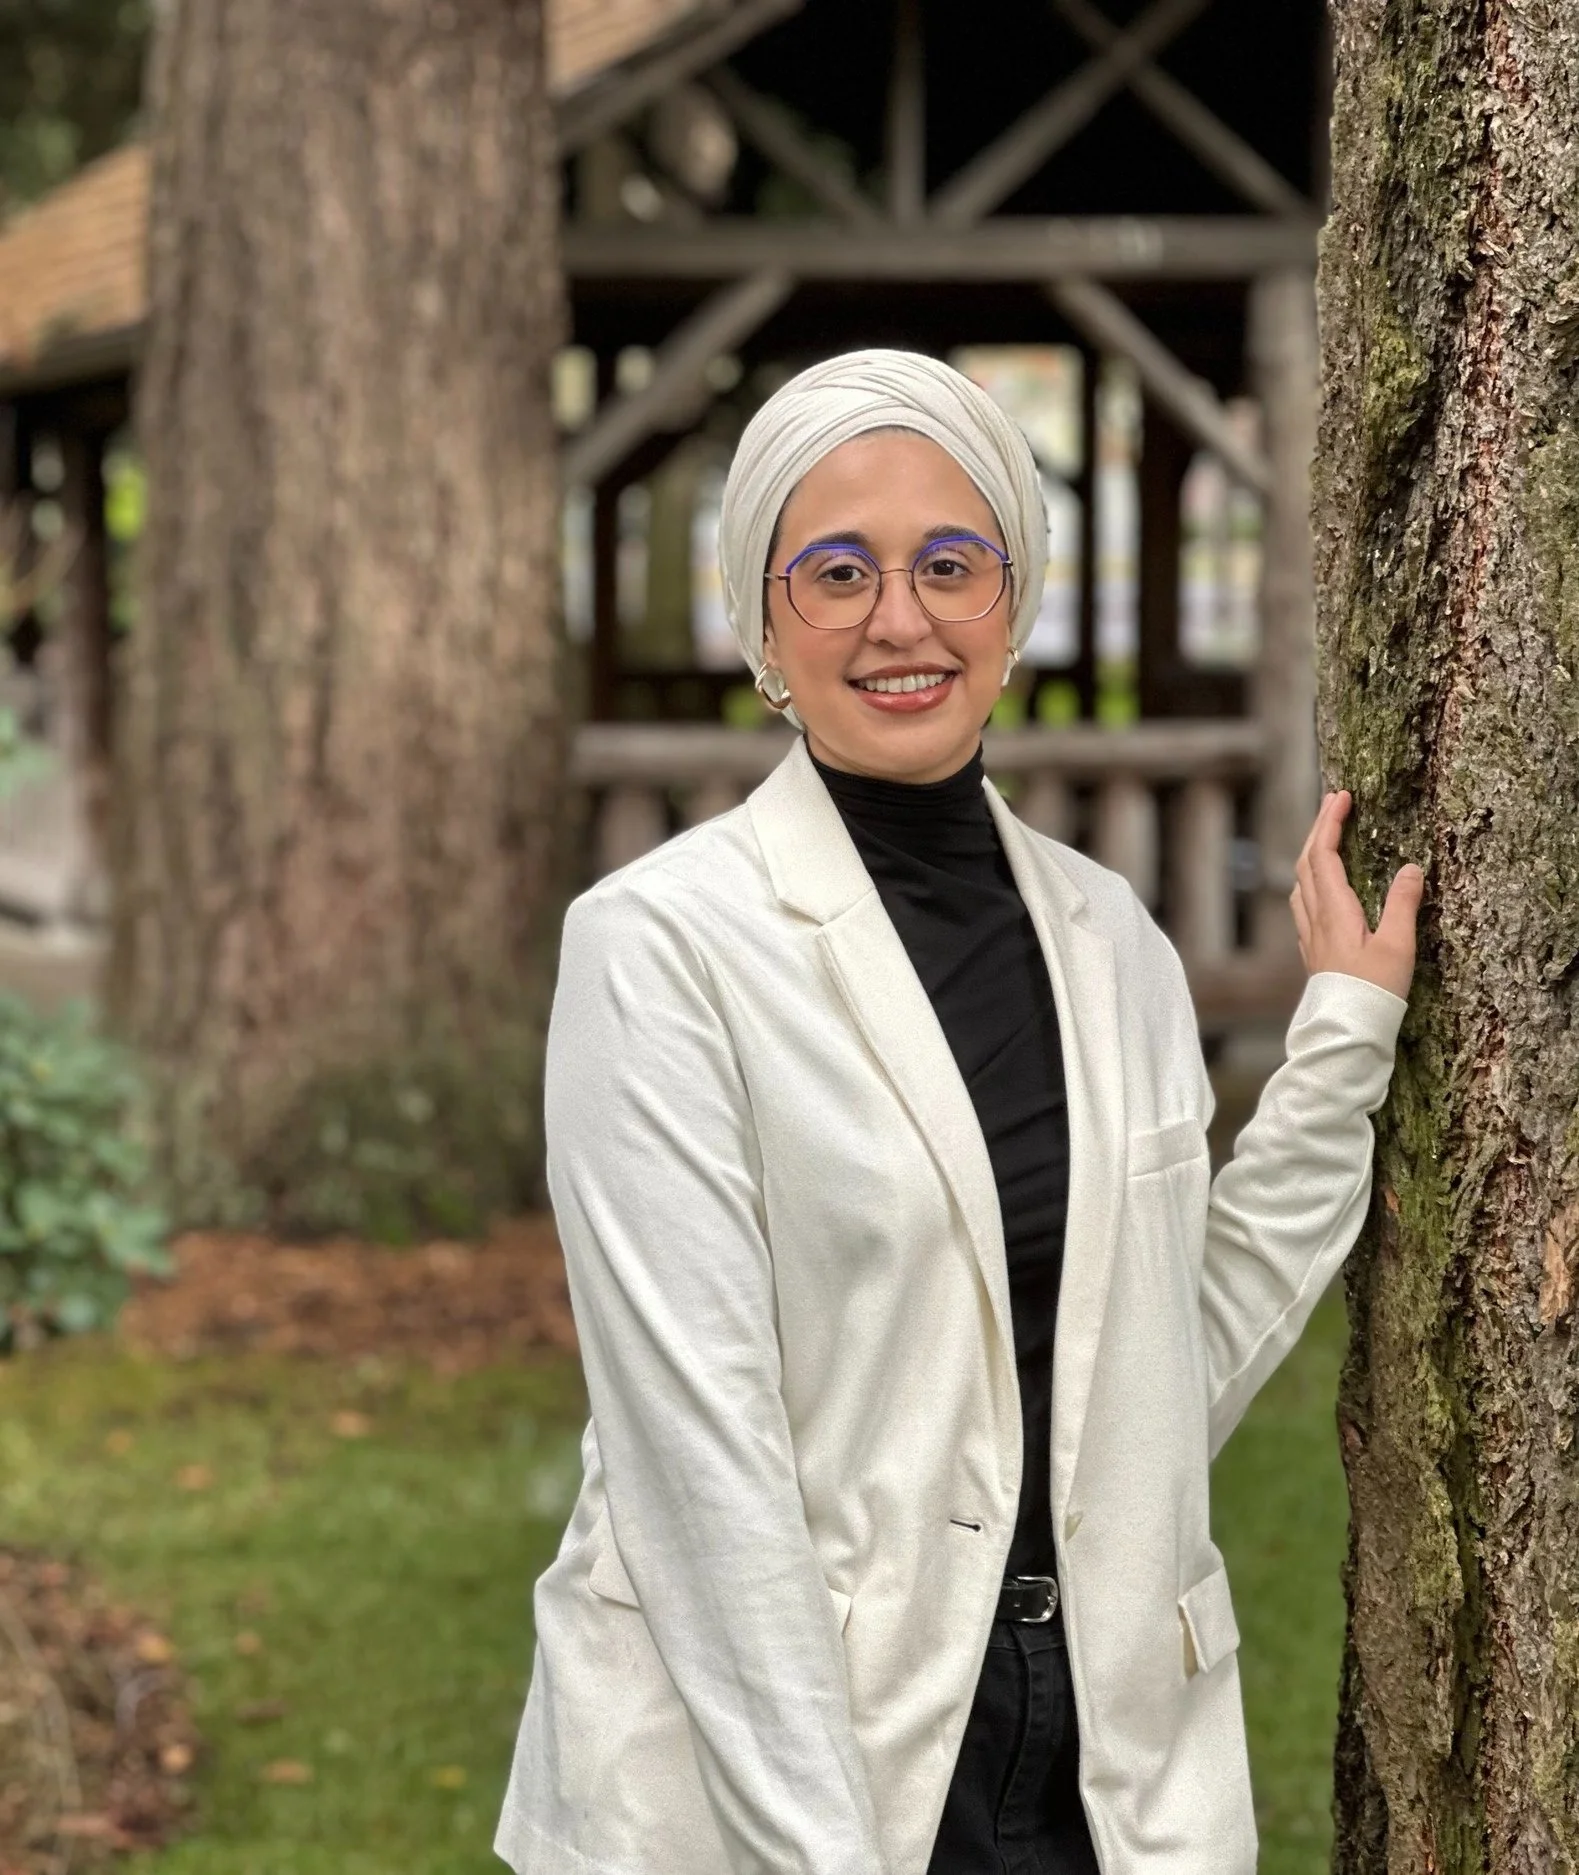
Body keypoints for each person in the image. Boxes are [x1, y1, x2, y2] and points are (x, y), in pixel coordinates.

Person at [494, 348, 1423, 1875]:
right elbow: (696, 1464)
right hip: (781, 1781)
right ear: (762, 624)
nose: (899, 617)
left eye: (948, 562)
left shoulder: (1109, 937)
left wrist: (1343, 1037)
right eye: (836, 571)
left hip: (1094, 1768)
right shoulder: (659, 945)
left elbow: (1151, 1380)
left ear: (1014, 601)